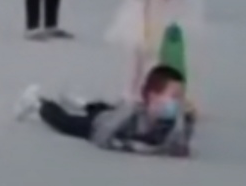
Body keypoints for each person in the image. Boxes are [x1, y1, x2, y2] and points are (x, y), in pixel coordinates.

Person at [13, 65, 192, 157]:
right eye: (174, 96)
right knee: (65, 122)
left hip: (112, 113)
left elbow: (180, 149)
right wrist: (132, 147)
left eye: (181, 97)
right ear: (153, 97)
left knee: (104, 108)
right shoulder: (129, 114)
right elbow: (101, 139)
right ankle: (38, 102)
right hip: (98, 125)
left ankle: (81, 102)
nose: (179, 102)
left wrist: (181, 124)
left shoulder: (173, 120)